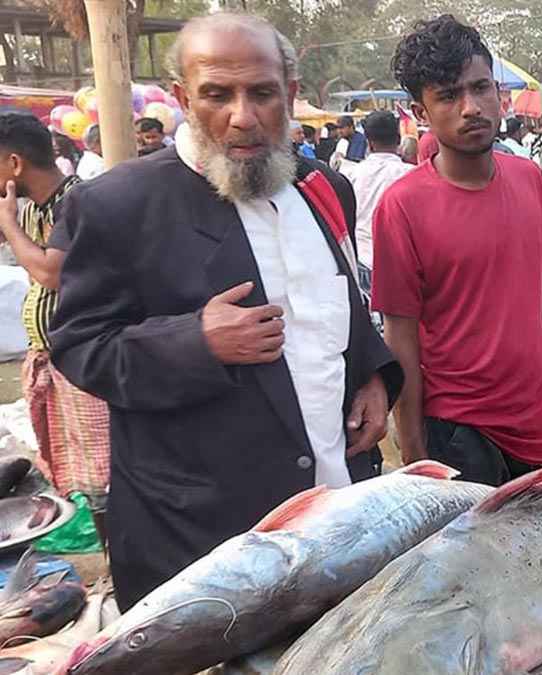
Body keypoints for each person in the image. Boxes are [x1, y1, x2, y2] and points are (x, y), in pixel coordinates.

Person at [48, 13, 402, 610]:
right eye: (217, 94)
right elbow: (80, 346)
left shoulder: (321, 187)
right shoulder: (115, 205)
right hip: (204, 538)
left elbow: (340, 299)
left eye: (262, 93)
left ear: (289, 93)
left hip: (335, 505)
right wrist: (196, 342)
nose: (243, 116)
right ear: (184, 98)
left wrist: (372, 374)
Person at [376, 15, 542, 486]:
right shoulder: (402, 206)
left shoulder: (529, 179)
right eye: (448, 96)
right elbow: (401, 337)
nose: (471, 107)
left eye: (480, 88)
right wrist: (414, 454)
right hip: (458, 434)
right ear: (421, 112)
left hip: (536, 422)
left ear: (498, 92)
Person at [0, 114, 110, 505]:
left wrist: (8, 224)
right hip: (51, 359)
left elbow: (50, 273)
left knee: (101, 478)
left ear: (15, 164)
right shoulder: (31, 209)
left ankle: (113, 540)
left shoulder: (78, 200)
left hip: (85, 360)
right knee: (70, 470)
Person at [349, 110, 413, 295]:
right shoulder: (412, 175)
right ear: (398, 139)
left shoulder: (351, 174)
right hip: (402, 264)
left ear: (368, 143)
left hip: (363, 259)